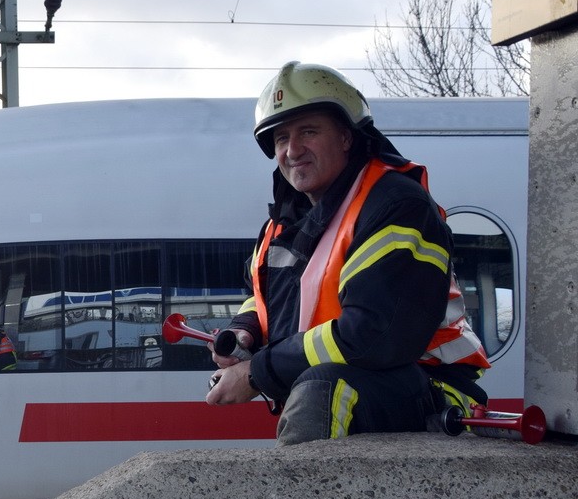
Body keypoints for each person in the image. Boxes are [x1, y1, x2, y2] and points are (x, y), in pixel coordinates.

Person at [206, 61, 490, 446]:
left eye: (309, 131)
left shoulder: (394, 205)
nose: (293, 150)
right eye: (280, 138)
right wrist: (246, 330)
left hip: (431, 391)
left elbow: (373, 334)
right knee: (318, 387)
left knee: (323, 390)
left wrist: (257, 372)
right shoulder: (285, 224)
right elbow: (265, 300)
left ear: (346, 137)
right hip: (370, 389)